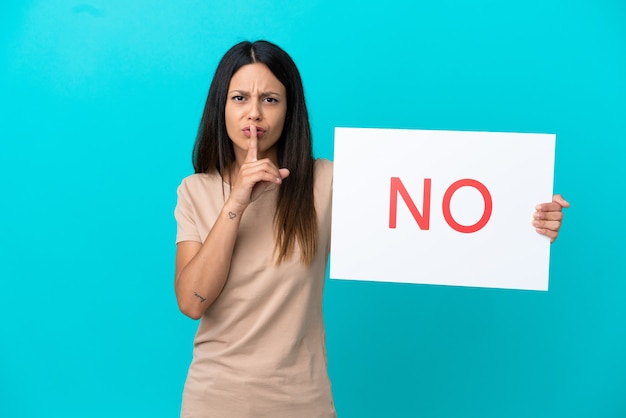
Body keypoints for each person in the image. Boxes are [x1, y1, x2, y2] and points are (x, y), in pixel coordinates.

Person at [173, 40, 569, 418]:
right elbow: (192, 302)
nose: (254, 113)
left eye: (270, 99)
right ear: (220, 107)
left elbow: (431, 212)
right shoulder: (196, 191)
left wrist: (527, 215)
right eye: (240, 98)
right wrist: (235, 203)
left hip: (300, 400)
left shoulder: (324, 182)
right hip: (214, 400)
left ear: (289, 111)